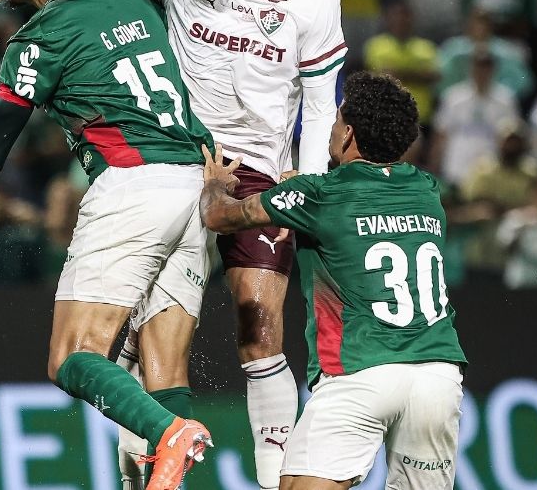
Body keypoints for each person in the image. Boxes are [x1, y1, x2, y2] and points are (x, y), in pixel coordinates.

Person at [0, 0, 345, 490]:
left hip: (257, 171)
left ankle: (276, 478)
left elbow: (319, 97)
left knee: (259, 334)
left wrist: (305, 182)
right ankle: (148, 470)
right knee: (145, 347)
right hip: (184, 161)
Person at [0, 0, 213, 490]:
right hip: (196, 184)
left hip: (131, 187)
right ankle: (165, 454)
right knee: (162, 368)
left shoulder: (42, 37)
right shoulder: (141, 0)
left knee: (72, 358)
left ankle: (171, 435)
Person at [199, 72, 466, 489]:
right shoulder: (427, 189)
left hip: (360, 371)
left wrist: (216, 184)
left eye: (337, 118)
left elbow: (219, 217)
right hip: (438, 376)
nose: (331, 125)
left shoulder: (319, 195)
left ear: (349, 134)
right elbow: (363, 214)